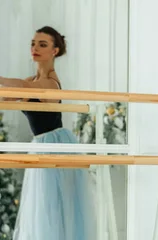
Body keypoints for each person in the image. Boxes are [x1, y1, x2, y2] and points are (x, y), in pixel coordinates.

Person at [0, 26, 96, 240]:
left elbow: (20, 86)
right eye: (33, 43)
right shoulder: (31, 81)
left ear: (54, 51)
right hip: (40, 144)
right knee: (42, 207)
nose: (35, 48)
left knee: (53, 206)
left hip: (55, 143)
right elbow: (9, 96)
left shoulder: (51, 82)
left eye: (42, 44)